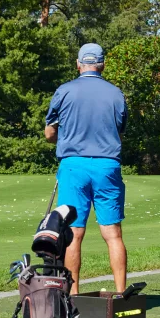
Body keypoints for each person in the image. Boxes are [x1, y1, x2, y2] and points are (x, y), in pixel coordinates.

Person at [45, 43, 129, 294]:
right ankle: (121, 294)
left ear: (78, 64)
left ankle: (73, 296)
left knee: (73, 233)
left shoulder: (65, 91)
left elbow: (50, 132)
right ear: (102, 64)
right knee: (113, 234)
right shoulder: (116, 93)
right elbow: (120, 133)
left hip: (74, 166)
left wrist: (60, 138)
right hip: (107, 165)